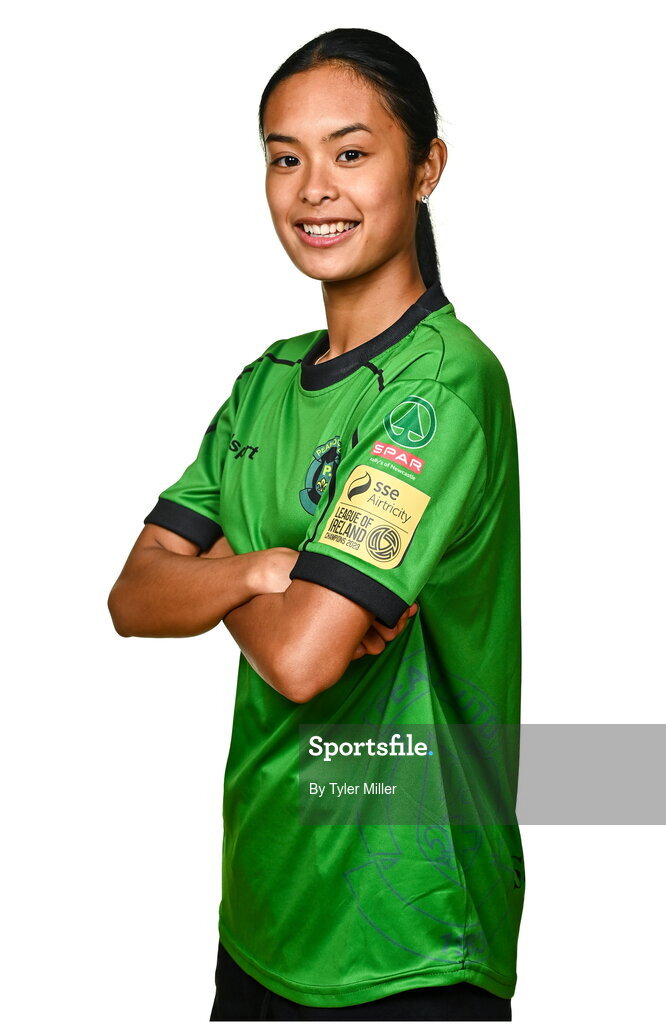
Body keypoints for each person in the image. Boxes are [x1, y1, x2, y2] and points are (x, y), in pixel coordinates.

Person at [108, 26, 524, 1023]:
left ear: (424, 167)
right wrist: (264, 573)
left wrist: (215, 579)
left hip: (408, 938)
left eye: (349, 152)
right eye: (282, 157)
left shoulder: (441, 386)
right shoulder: (263, 385)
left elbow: (302, 663)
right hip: (261, 912)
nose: (311, 189)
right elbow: (130, 596)